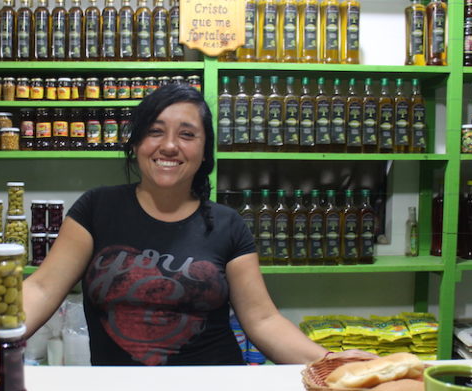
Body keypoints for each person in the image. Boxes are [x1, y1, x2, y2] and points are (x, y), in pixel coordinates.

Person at [22, 83, 366, 365]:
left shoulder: (227, 224)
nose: (169, 146)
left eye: (187, 134)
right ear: (137, 143)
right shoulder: (97, 208)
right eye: (155, 132)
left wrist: (330, 360)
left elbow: (262, 320)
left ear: (204, 152)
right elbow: (41, 289)